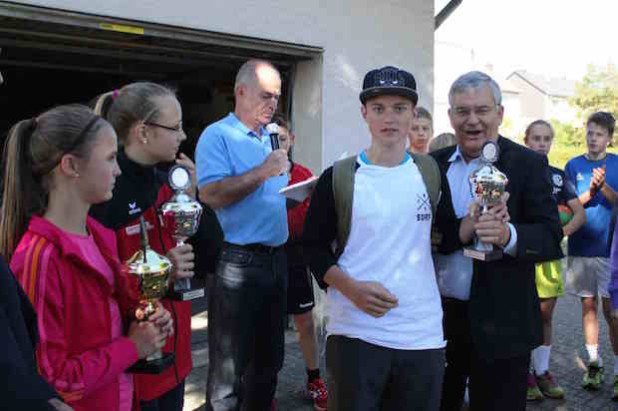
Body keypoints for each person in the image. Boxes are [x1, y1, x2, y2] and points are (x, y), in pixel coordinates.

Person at [303, 65, 478, 411]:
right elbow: (311, 246)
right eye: (379, 108)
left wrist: (479, 217)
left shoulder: (429, 172)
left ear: (413, 114)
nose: (390, 118)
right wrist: (351, 288)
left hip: (421, 334)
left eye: (399, 108)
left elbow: (448, 239)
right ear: (364, 113)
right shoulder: (339, 176)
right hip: (356, 332)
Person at [0, 105, 172, 411]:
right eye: (109, 158)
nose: (119, 169)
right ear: (70, 166)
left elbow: (107, 325)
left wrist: (145, 319)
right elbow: (49, 382)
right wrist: (132, 347)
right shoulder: (38, 259)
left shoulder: (100, 236)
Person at [431, 71, 563, 411]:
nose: (472, 120)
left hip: (504, 324)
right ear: (450, 117)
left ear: (500, 114)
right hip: (438, 322)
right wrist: (458, 230)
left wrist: (508, 236)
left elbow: (550, 235)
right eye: (462, 111)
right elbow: (428, 231)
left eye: (482, 110)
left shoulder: (529, 164)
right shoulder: (431, 165)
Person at [90, 82, 198, 411]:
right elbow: (97, 291)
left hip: (176, 360)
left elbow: (210, 256)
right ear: (144, 132)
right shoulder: (106, 196)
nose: (182, 136)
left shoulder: (170, 184)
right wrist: (163, 273)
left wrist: (194, 196)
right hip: (135, 368)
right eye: (175, 127)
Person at [197, 59, 289, 410]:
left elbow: (267, 199)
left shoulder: (270, 138)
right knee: (228, 373)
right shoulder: (217, 135)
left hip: (277, 259)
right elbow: (212, 195)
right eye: (266, 96)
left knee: (269, 365)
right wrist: (264, 170)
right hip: (238, 262)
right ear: (241, 92)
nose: (273, 104)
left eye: (277, 97)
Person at [523, 120, 586, 400]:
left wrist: (560, 232)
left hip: (548, 258)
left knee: (545, 316)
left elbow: (579, 215)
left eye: (546, 139)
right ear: (526, 141)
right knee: (522, 314)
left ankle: (542, 371)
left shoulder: (559, 177)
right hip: (521, 258)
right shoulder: (514, 172)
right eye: (535, 138)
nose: (541, 143)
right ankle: (522, 373)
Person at [272, 113, 327, 411]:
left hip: (295, 256)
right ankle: (262, 387)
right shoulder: (259, 173)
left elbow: (311, 220)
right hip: (265, 256)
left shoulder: (304, 172)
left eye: (282, 138)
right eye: (273, 138)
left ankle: (315, 380)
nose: (278, 144)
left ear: (292, 139)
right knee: (264, 327)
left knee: (305, 323)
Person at [564, 111, 618, 397]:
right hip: (581, 248)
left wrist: (605, 187)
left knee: (614, 313)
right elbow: (569, 207)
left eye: (599, 134)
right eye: (589, 132)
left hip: (610, 251)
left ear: (609, 138)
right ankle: (594, 365)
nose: (592, 138)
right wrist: (591, 190)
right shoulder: (573, 166)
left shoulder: (617, 164)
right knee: (588, 308)